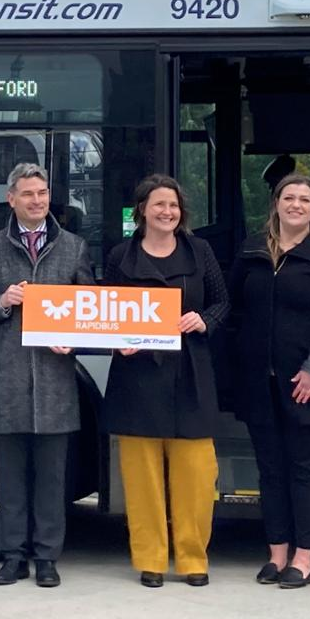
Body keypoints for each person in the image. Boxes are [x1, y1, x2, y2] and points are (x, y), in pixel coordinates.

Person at [0, 162, 95, 588]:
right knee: (13, 480)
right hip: (8, 380)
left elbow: (89, 310)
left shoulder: (74, 248)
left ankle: (47, 558)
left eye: (42, 193)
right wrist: (3, 300)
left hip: (57, 381)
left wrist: (72, 339)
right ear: (11, 199)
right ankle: (12, 557)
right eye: (27, 194)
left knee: (52, 480)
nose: (36, 200)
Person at [101, 174, 229, 588]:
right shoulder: (120, 256)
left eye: (173, 206)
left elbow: (222, 302)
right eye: (158, 205)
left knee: (195, 472)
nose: (167, 212)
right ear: (142, 210)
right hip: (137, 377)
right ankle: (151, 559)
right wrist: (118, 342)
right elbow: (109, 313)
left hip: (190, 372)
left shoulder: (201, 251)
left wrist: (203, 319)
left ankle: (193, 559)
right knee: (142, 479)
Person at [228, 174, 310, 589]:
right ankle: (276, 553)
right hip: (259, 384)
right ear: (276, 204)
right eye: (289, 197)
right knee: (270, 470)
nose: (296, 204)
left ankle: (304, 557)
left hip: (308, 385)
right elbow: (234, 310)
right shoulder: (250, 250)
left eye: (305, 199)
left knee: (305, 470)